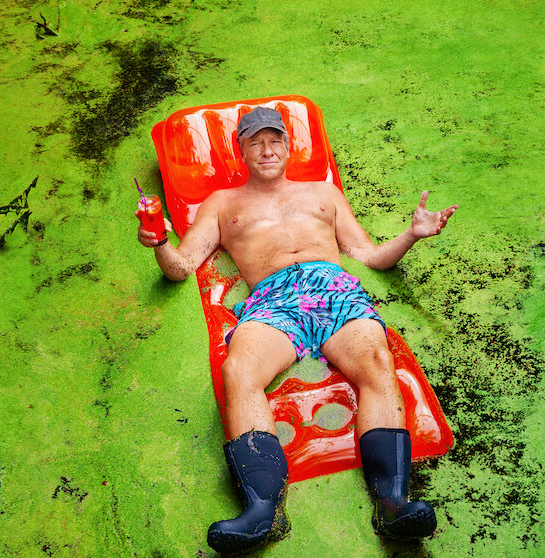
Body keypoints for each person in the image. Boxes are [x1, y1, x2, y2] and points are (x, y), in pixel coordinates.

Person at [137, 107, 458, 554]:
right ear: (241, 150)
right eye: (256, 142)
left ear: (289, 147)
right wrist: (159, 243)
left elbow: (369, 256)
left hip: (333, 288)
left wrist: (411, 235)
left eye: (275, 140)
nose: (267, 150)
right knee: (239, 371)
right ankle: (263, 511)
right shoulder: (222, 204)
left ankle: (392, 503)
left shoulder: (324, 193)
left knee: (376, 360)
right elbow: (182, 267)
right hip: (273, 298)